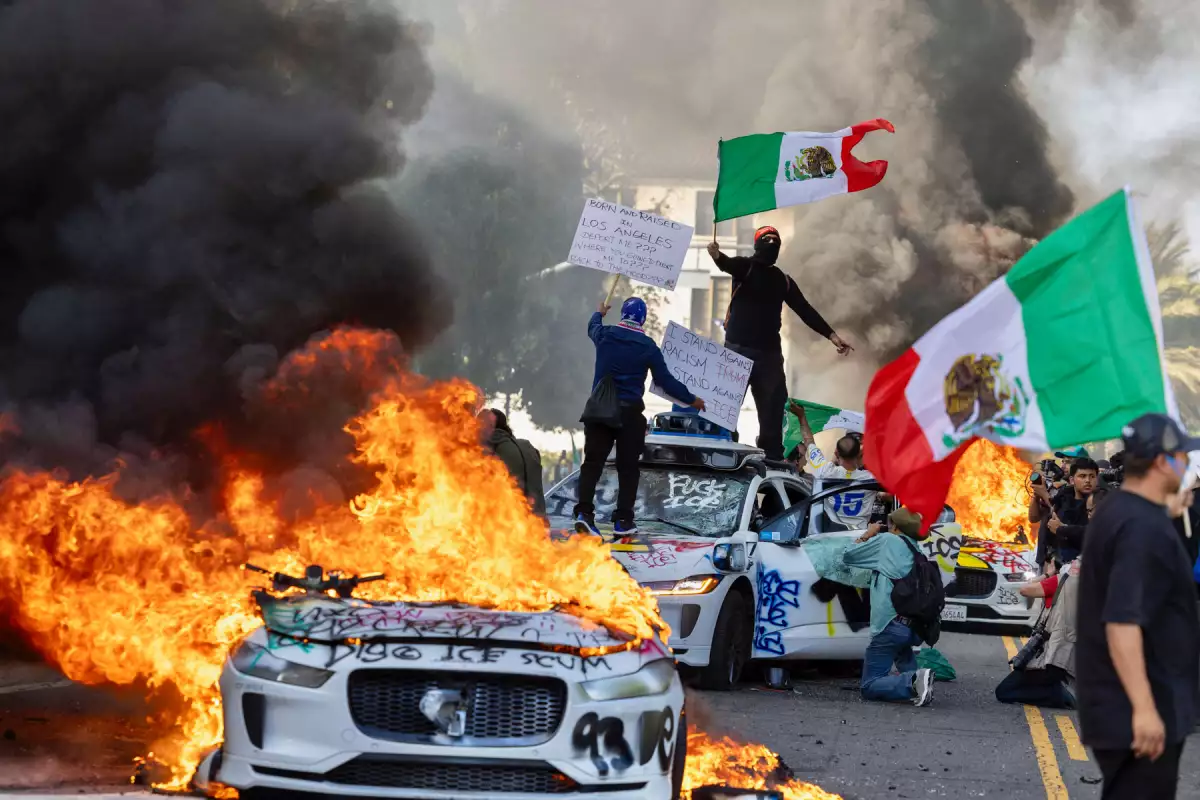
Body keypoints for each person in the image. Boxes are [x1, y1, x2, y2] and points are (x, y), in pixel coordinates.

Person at [1077, 413, 1200, 799]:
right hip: (1135, 708)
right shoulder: (1142, 527)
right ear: (1162, 462)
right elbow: (1122, 622)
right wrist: (1144, 709)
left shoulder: (1120, 510)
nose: (1188, 464)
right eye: (1182, 457)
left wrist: (1170, 513)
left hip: (1119, 705)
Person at [706, 227, 851, 461]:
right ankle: (722, 451)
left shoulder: (783, 281)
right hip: (737, 354)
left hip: (769, 357)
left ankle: (772, 458)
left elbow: (805, 310)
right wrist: (716, 256)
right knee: (724, 410)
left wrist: (832, 335)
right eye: (768, 240)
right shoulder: (745, 267)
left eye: (776, 241)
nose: (772, 244)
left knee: (773, 414)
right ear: (758, 245)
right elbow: (727, 264)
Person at [574, 297, 705, 535]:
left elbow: (592, 327)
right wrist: (692, 399)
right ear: (643, 319)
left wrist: (599, 312)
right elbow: (665, 382)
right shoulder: (648, 347)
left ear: (623, 314)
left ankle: (584, 513)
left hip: (599, 411)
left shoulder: (605, 335)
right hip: (630, 415)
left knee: (592, 464)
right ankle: (623, 521)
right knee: (628, 469)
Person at [841, 507, 936, 707]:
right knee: (901, 652)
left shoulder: (887, 541)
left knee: (870, 685)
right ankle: (919, 681)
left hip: (889, 625)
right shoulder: (916, 550)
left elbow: (849, 555)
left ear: (896, 527)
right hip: (911, 627)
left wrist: (868, 534)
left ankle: (913, 682)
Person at [997, 555, 1082, 709]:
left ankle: (1059, 695)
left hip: (1047, 658)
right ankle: (1057, 691)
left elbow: (1025, 589)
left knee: (1004, 692)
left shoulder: (1060, 581)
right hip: (1066, 658)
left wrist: (1049, 573)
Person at [791, 400, 877, 529]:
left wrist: (801, 417)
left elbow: (809, 442)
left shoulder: (825, 471)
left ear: (836, 453)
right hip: (860, 535)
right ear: (859, 454)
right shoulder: (871, 478)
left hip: (831, 534)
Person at [1031, 457, 1098, 572]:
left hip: (1080, 567)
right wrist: (1037, 494)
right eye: (1082, 476)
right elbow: (1033, 518)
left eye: (1092, 476)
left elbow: (1087, 532)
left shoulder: (1100, 502)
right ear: (1072, 480)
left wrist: (1045, 495)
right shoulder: (1062, 496)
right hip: (1053, 564)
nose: (1088, 480)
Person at [483, 409, 546, 517]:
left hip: (509, 519)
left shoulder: (491, 450)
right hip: (536, 518)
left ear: (490, 426)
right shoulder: (527, 447)